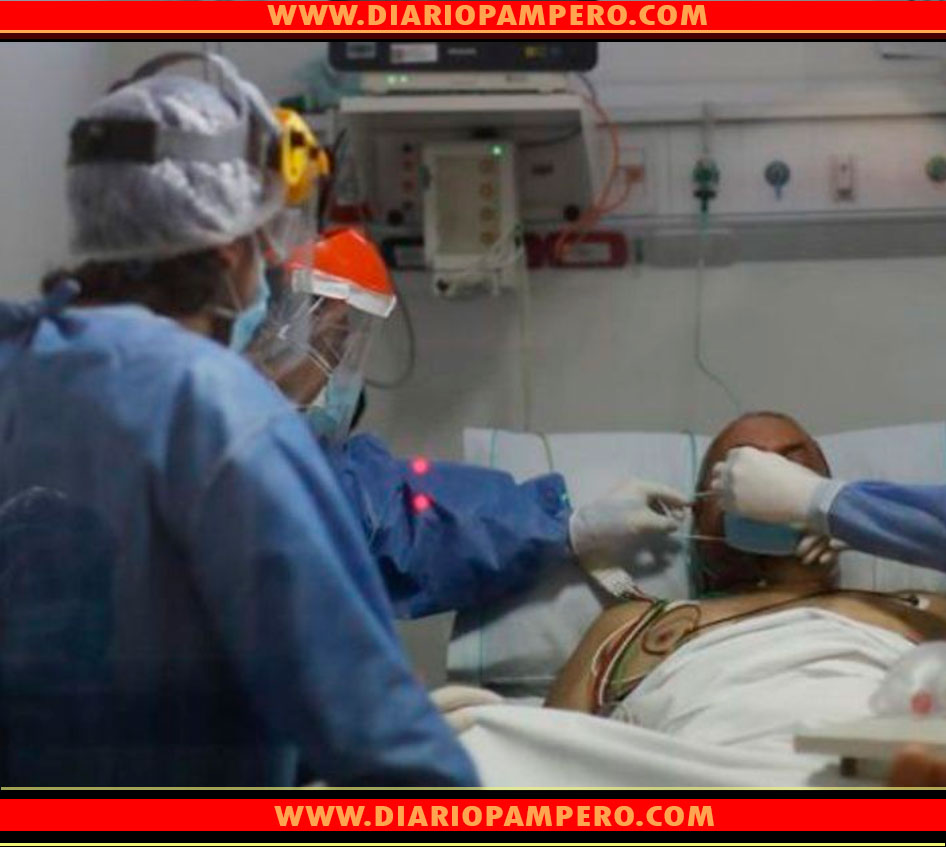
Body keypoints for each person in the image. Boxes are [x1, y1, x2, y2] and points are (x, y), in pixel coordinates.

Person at [0, 51, 480, 786]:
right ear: (229, 253)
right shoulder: (216, 412)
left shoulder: (18, 367)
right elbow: (375, 733)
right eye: (264, 242)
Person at [541, 412, 946, 784]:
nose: (764, 486)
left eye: (791, 467)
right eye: (732, 475)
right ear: (698, 517)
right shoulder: (631, 624)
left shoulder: (920, 608)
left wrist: (845, 511)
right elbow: (544, 763)